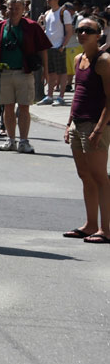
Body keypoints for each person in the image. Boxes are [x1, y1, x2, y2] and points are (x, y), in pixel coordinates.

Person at [62, 17, 110, 243]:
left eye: (88, 31)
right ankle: (90, 225)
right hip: (77, 123)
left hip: (95, 125)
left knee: (100, 177)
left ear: (98, 35)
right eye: (79, 29)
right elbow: (78, 95)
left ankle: (106, 229)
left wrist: (99, 129)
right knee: (85, 175)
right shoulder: (78, 58)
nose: (82, 33)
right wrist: (68, 123)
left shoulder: (104, 61)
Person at [0, 0, 51, 154]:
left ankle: (24, 141)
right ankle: (10, 140)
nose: (14, 11)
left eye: (17, 8)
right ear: (6, 10)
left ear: (23, 10)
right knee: (7, 107)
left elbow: (43, 48)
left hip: (24, 72)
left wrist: (46, 71)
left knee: (24, 107)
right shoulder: (0, 27)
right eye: (11, 8)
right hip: (5, 73)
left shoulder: (32, 26)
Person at [40, 0, 75, 105]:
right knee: (51, 72)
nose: (48, 0)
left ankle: (61, 97)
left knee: (62, 72)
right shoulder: (47, 13)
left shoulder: (63, 12)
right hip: (49, 46)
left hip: (58, 46)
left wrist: (63, 45)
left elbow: (69, 31)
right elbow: (45, 29)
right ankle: (50, 96)